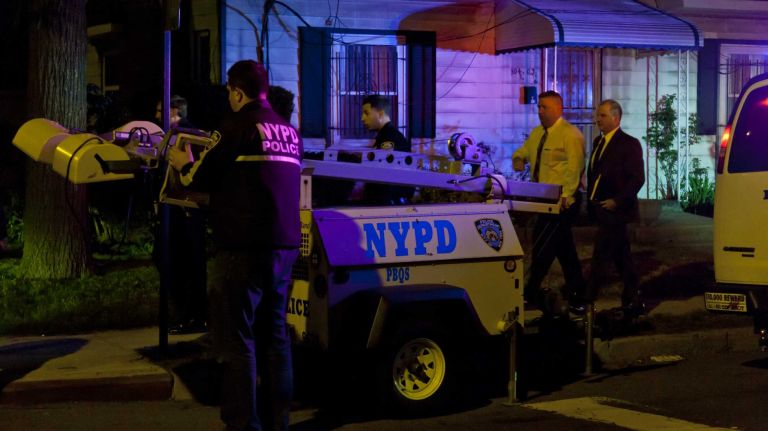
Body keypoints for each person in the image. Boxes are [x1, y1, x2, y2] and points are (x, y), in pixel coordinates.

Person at [168, 60, 302, 431]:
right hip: (284, 247)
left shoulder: (233, 128)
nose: (228, 96)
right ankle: (280, 422)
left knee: (237, 340)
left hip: (242, 248)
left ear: (237, 92)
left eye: (229, 90)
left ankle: (243, 424)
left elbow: (197, 177)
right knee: (276, 339)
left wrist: (182, 161)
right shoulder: (290, 133)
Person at [512, 90, 587, 315]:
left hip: (563, 201)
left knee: (544, 244)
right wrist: (518, 158)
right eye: (539, 108)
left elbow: (575, 168)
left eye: (544, 107)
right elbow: (524, 151)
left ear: (557, 109)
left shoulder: (570, 134)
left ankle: (531, 290)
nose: (539, 111)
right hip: (543, 199)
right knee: (564, 249)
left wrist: (567, 196)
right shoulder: (538, 133)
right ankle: (578, 294)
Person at [153, 93, 208, 335]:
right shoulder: (179, 136)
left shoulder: (186, 137)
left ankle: (189, 316)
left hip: (182, 210)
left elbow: (187, 174)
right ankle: (188, 314)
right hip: (181, 209)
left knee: (179, 263)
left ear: (174, 113)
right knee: (182, 262)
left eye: (160, 111)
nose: (156, 117)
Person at [586, 99, 645, 316]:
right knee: (622, 257)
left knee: (601, 254)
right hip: (601, 208)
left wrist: (617, 201)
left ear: (615, 117)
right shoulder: (598, 143)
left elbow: (637, 179)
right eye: (597, 115)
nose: (597, 119)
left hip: (616, 211)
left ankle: (589, 296)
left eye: (602, 115)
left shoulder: (629, 144)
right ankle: (633, 296)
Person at [361, 94, 412, 204]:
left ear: (380, 114)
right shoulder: (385, 136)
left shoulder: (389, 138)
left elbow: (384, 176)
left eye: (366, 113)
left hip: (388, 205)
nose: (362, 118)